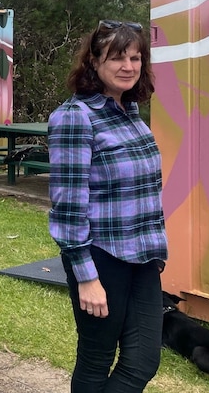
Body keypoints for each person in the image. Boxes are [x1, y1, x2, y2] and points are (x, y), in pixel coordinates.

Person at [48, 19, 168, 393]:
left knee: (143, 361)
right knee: (97, 357)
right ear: (94, 62)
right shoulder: (75, 117)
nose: (128, 66)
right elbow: (67, 208)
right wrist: (86, 277)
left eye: (135, 57)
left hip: (143, 257)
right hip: (101, 258)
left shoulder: (130, 113)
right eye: (117, 57)